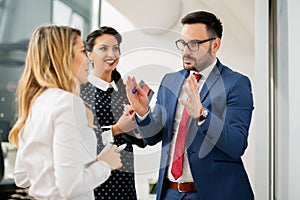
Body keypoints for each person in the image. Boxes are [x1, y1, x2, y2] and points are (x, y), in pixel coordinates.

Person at [125, 11, 254, 200]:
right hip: (170, 193)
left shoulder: (236, 84)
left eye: (193, 44)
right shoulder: (170, 81)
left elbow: (236, 144)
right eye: (183, 43)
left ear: (215, 45)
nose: (185, 51)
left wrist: (202, 115)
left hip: (213, 194)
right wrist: (143, 113)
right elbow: (153, 138)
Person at [8, 25, 122, 200]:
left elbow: (22, 176)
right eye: (83, 51)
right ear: (64, 57)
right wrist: (105, 164)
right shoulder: (68, 103)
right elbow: (70, 186)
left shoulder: (37, 102)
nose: (87, 60)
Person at [81, 26, 146, 200]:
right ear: (89, 54)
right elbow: (79, 142)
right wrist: (116, 129)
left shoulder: (125, 90)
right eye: (103, 48)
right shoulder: (80, 92)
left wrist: (142, 115)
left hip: (125, 183)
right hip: (95, 184)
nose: (112, 54)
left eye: (115, 48)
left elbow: (142, 140)